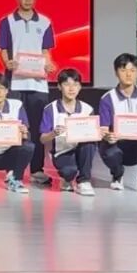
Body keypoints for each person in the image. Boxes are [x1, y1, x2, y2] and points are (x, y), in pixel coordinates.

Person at [0, 0, 56, 187]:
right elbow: (3, 49)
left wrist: (48, 64)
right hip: (15, 82)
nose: (27, 0)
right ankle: (13, 169)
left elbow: (45, 50)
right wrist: (7, 62)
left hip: (38, 83)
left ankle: (37, 169)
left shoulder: (45, 22)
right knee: (14, 126)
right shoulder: (7, 21)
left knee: (38, 128)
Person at [98, 53, 137, 195]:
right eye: (123, 70)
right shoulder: (107, 99)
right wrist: (107, 136)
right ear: (116, 72)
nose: (128, 74)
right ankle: (117, 175)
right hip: (116, 145)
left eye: (132, 70)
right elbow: (103, 129)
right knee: (107, 148)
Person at [40, 68, 101, 197]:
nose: (71, 88)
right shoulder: (50, 109)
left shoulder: (87, 109)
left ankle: (84, 181)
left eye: (75, 84)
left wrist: (98, 133)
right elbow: (42, 138)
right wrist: (53, 133)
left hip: (82, 149)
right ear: (59, 86)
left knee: (90, 143)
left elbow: (94, 134)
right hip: (62, 152)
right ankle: (66, 178)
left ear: (80, 87)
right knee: (69, 172)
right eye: (67, 84)